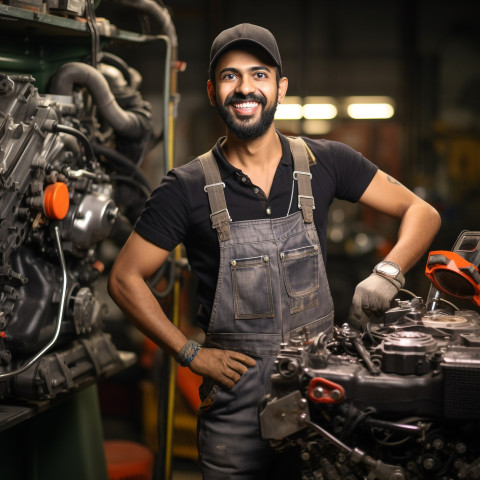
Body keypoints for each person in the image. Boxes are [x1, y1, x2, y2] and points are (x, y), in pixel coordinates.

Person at [108, 23, 441, 480]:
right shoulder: (184, 188)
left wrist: (388, 272)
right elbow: (124, 278)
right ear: (211, 91)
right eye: (230, 76)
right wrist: (190, 353)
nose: (246, 88)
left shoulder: (327, 162)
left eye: (259, 74)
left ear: (280, 88)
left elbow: (421, 212)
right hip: (235, 407)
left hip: (321, 392)